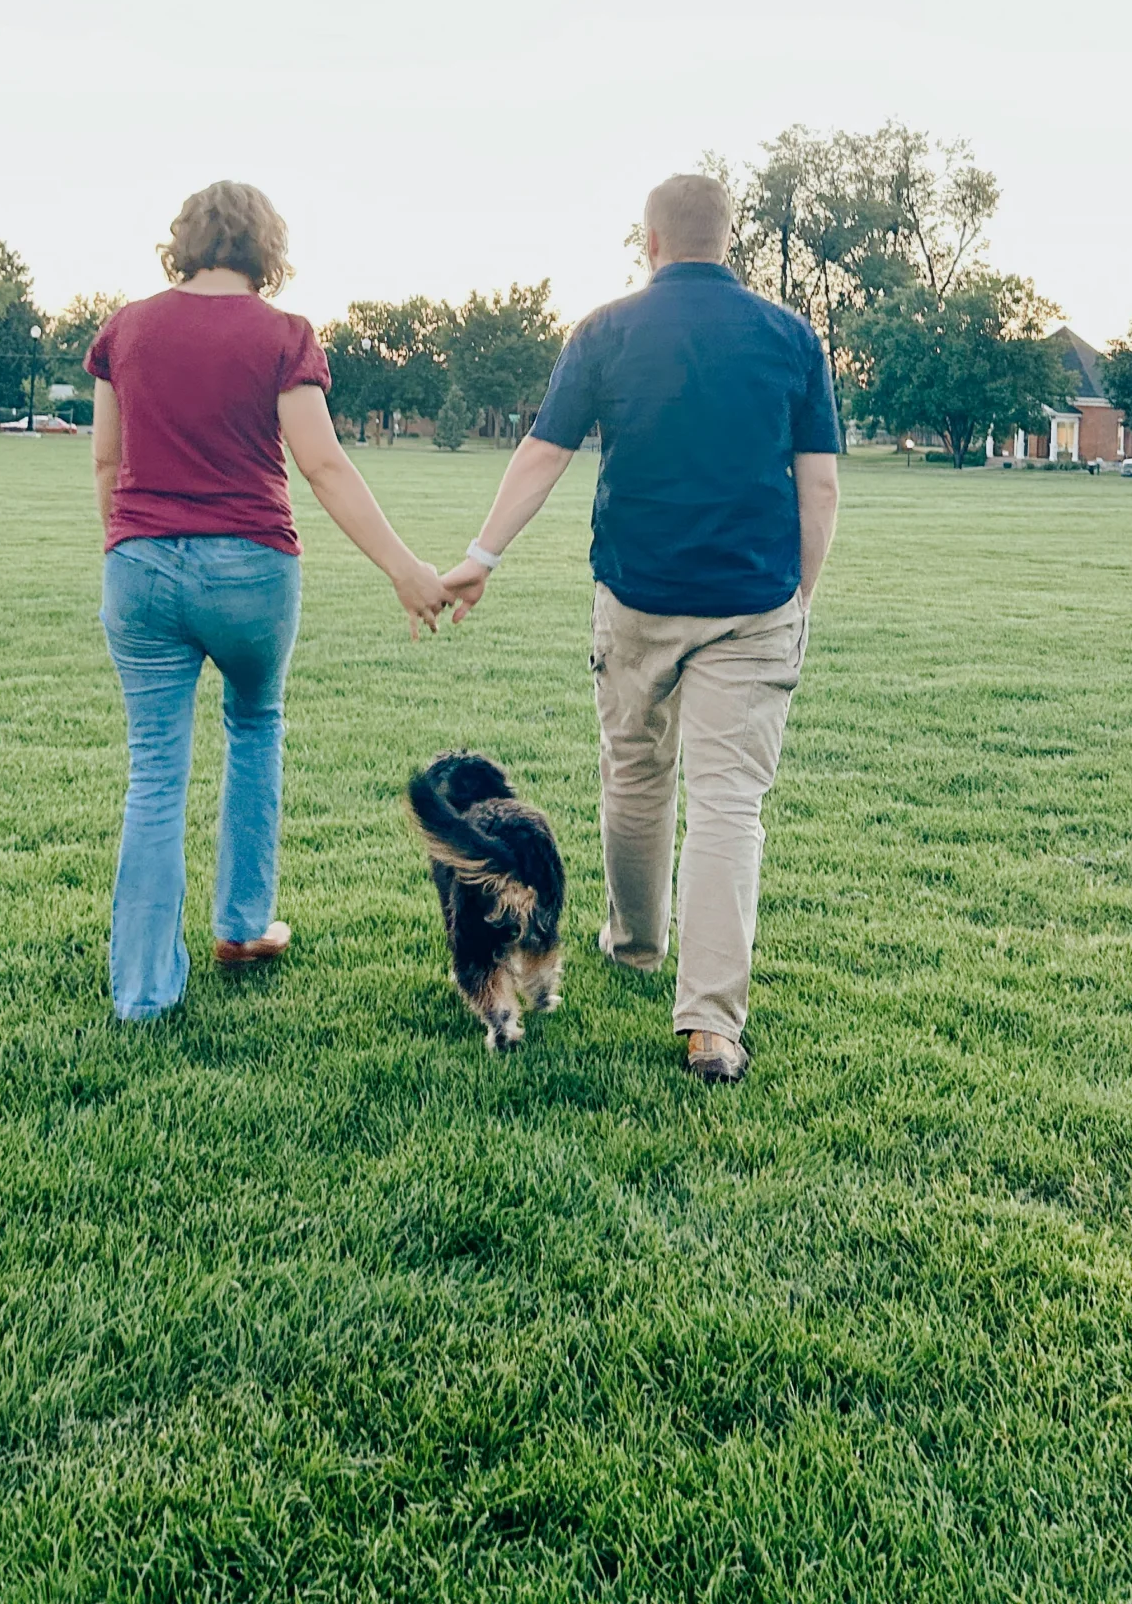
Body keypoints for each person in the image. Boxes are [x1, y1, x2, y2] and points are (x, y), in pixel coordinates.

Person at [440, 173, 841, 1084]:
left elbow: (544, 451)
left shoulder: (605, 331)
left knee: (634, 775)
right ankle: (710, 1026)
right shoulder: (790, 338)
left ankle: (633, 943)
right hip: (754, 600)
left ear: (648, 242)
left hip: (636, 597)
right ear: (727, 240)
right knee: (729, 807)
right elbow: (817, 484)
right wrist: (798, 599)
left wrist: (482, 555)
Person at [87, 180, 450, 1021]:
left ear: (183, 241)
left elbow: (106, 463)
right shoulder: (284, 336)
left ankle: (142, 992)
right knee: (254, 728)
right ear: (265, 248)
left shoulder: (125, 330)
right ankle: (244, 927)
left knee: (154, 773)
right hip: (252, 570)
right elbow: (321, 465)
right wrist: (401, 566)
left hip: (138, 565)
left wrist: (126, 547)